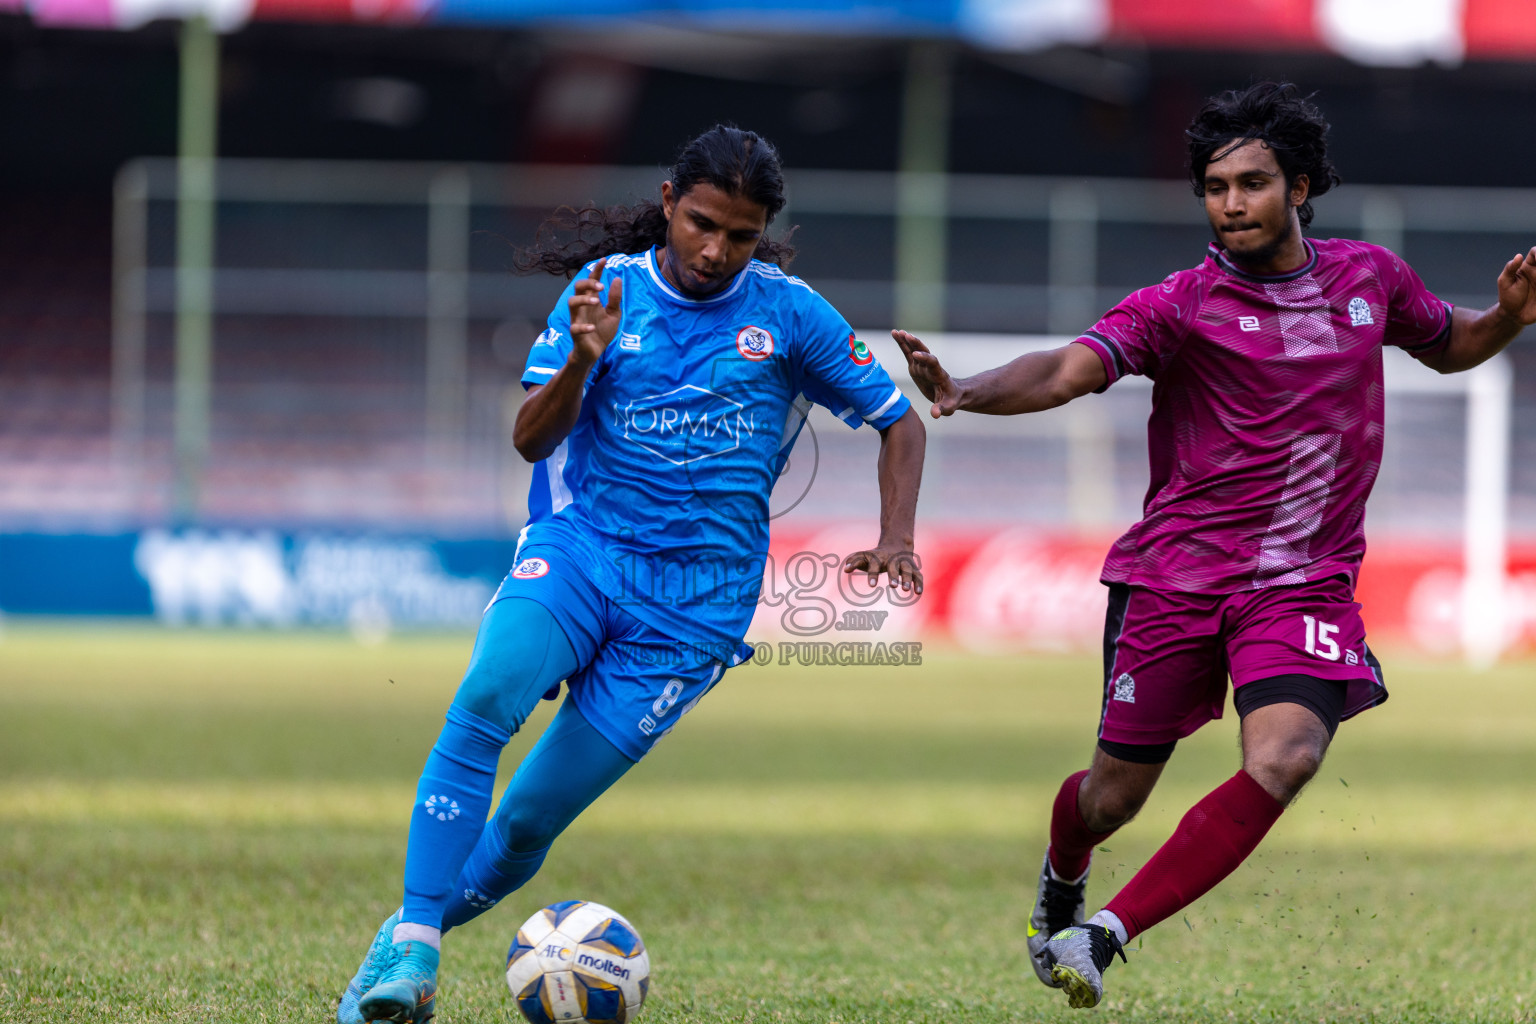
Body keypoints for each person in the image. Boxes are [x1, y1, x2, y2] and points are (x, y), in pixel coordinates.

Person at [894, 81, 1536, 1010]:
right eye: (1214, 185)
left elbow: (1451, 346)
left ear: (1301, 188)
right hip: (1176, 580)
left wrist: (1510, 317)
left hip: (1305, 585)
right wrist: (966, 391)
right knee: (1111, 801)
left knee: (1285, 757)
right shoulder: (1180, 304)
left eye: (1251, 182)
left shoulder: (1372, 281)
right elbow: (1069, 369)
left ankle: (1103, 935)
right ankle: (1064, 876)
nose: (1230, 202)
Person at [338, 124, 926, 1024]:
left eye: (739, 235)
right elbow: (530, 439)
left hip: (696, 610)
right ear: (666, 202)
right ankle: (414, 955)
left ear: (762, 230)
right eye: (700, 224)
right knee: (488, 698)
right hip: (583, 555)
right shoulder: (603, 295)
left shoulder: (790, 312)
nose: (715, 250)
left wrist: (897, 536)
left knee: (530, 821)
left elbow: (901, 420)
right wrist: (583, 355)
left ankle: (407, 930)